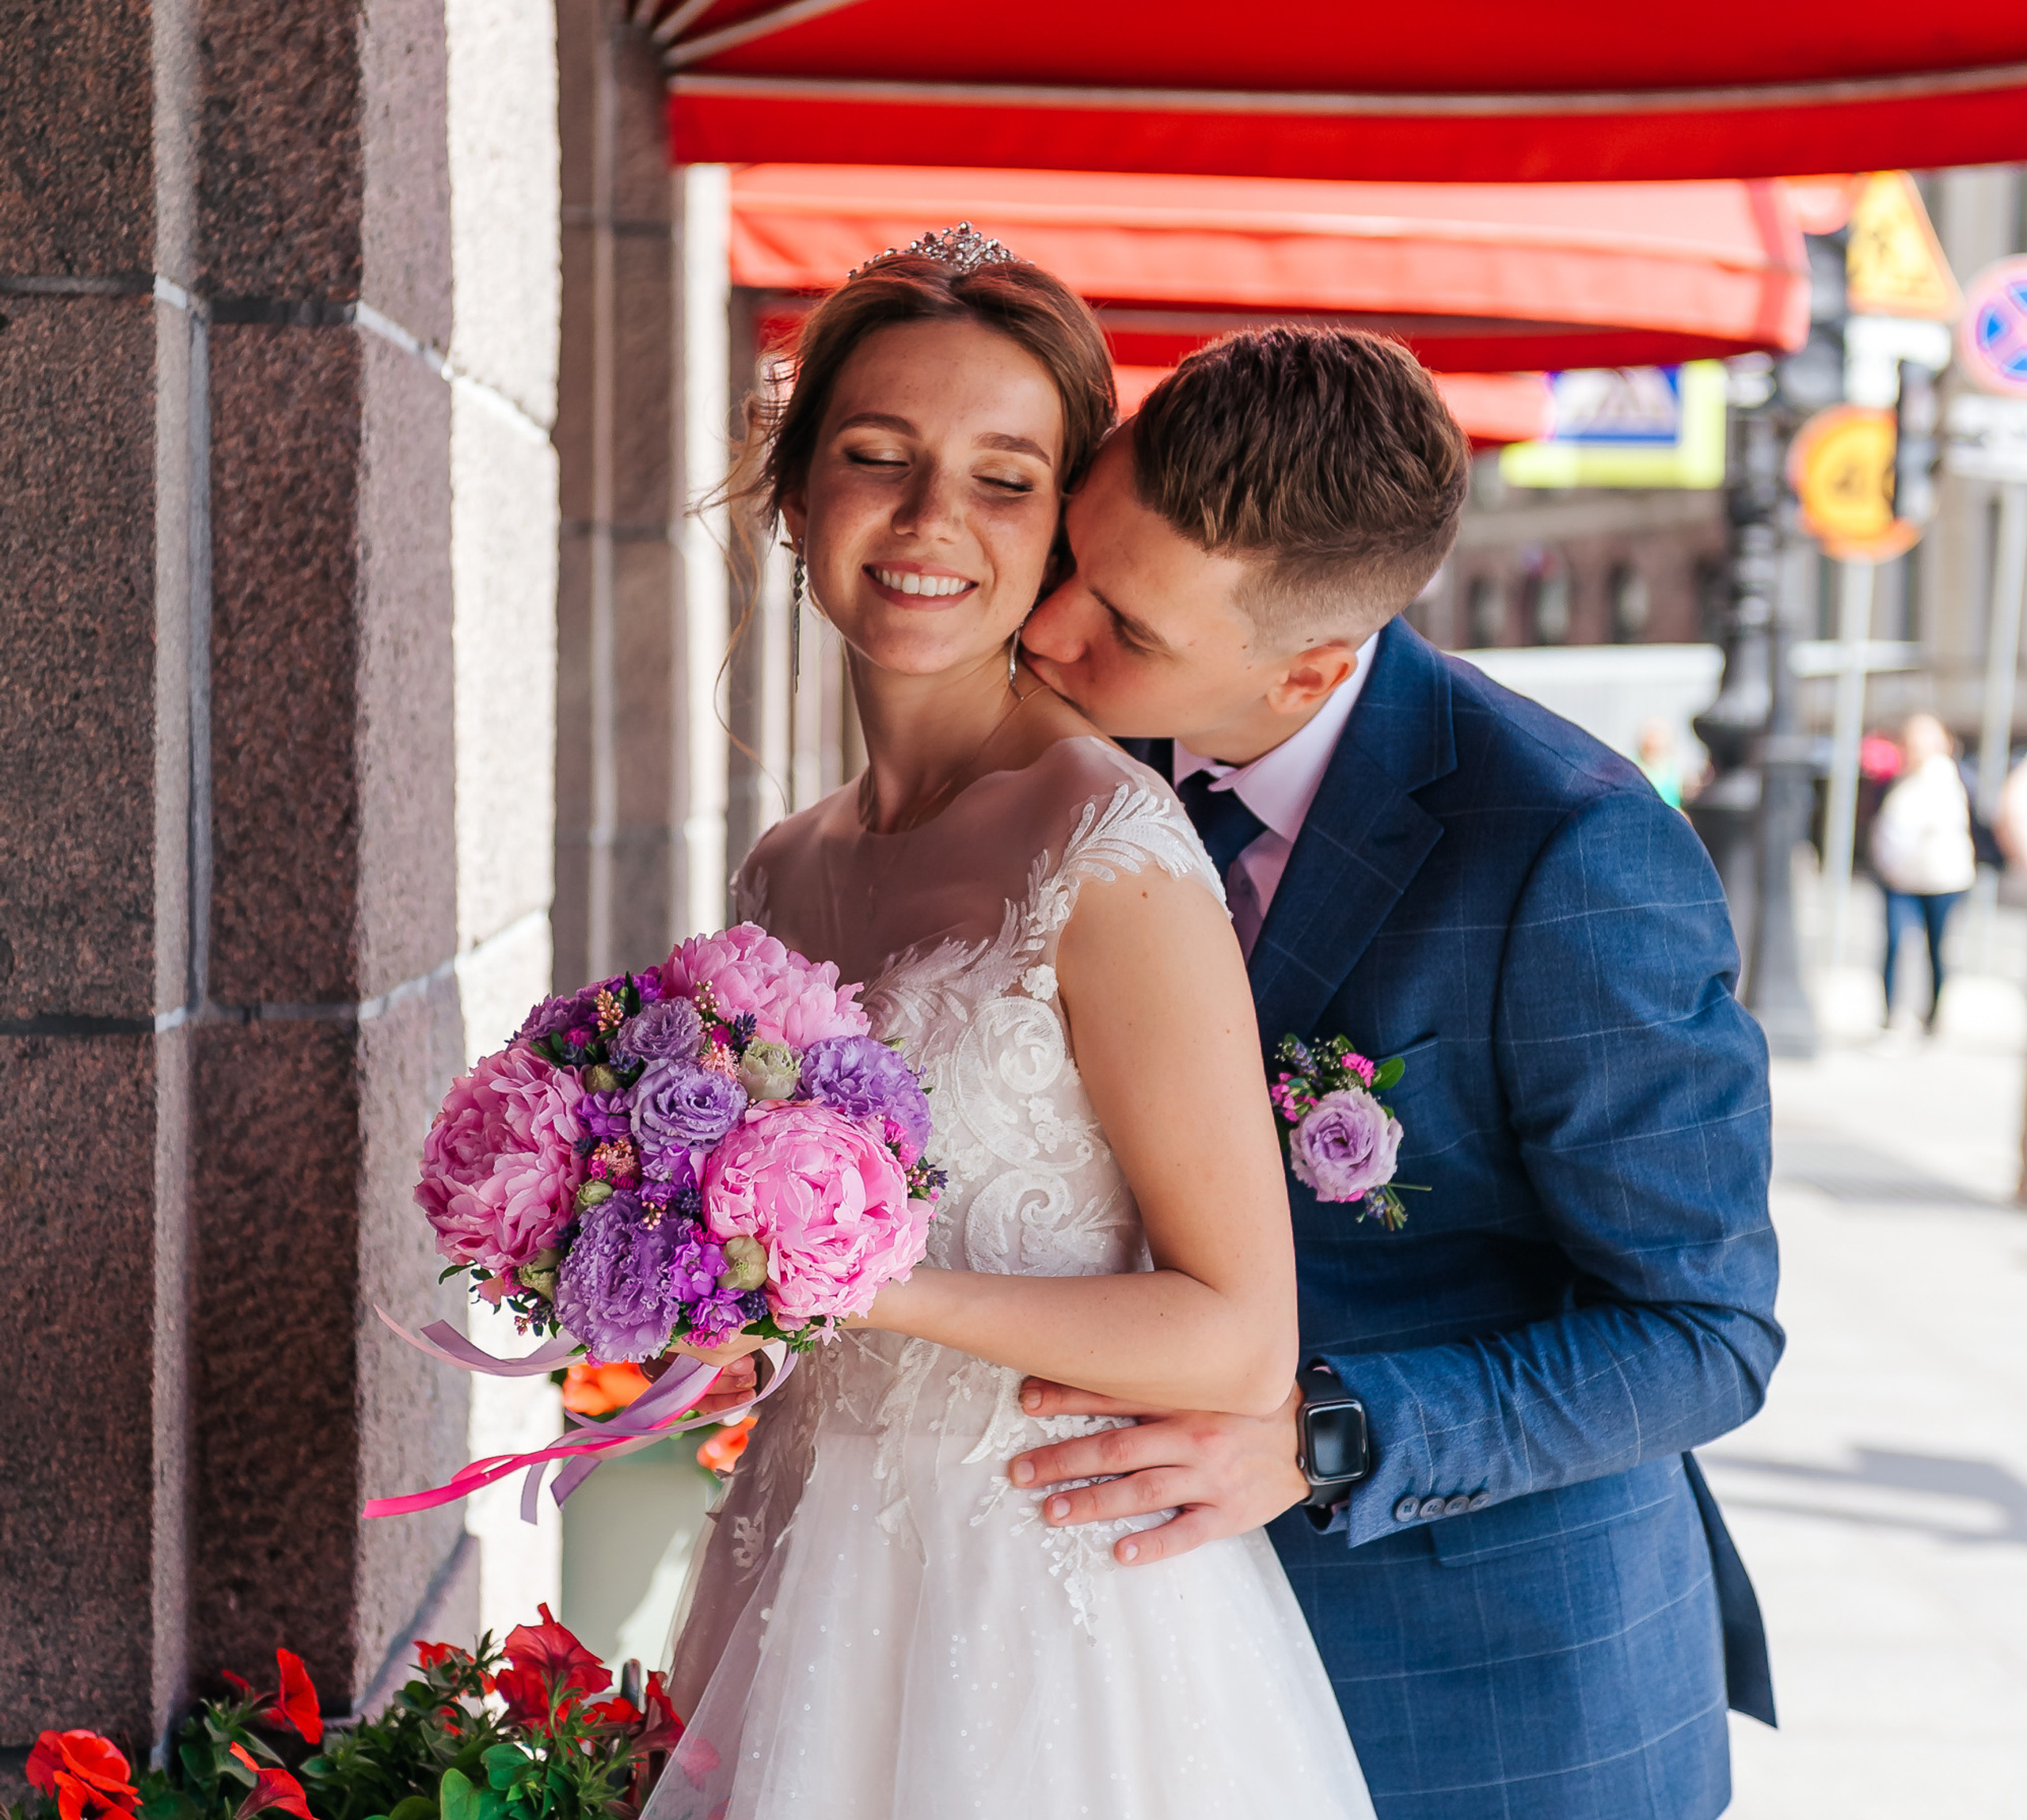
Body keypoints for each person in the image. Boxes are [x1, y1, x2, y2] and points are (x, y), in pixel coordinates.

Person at [645, 234, 1374, 1818]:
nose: (926, 525)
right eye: (874, 458)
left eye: (1000, 479)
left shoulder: (1099, 847)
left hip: (1046, 1611)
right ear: (793, 489)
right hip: (801, 1566)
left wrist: (861, 1278)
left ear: (1059, 529)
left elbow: (1237, 1334)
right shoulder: (789, 861)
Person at [1012, 325, 1784, 1820]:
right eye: (1068, 561)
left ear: (1312, 663)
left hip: (1485, 1703)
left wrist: (1327, 1429)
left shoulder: (1572, 855)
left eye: (1132, 629)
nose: (1048, 638)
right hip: (1123, 1664)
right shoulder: (1078, 759)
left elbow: (1706, 1335)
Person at [1870, 711, 1975, 1032]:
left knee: (1935, 950)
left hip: (1941, 880)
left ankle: (1931, 1016)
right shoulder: (1899, 777)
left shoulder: (1949, 777)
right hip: (1901, 879)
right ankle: (1891, 1015)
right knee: (1896, 943)